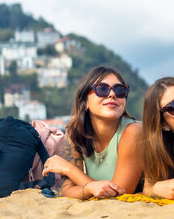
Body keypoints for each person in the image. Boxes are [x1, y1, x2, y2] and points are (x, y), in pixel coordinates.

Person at [42, 66, 143, 199]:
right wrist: (90, 188)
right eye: (102, 89)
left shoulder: (134, 131)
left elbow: (119, 194)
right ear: (85, 102)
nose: (112, 94)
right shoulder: (74, 133)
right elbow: (68, 192)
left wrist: (69, 170)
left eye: (120, 90)